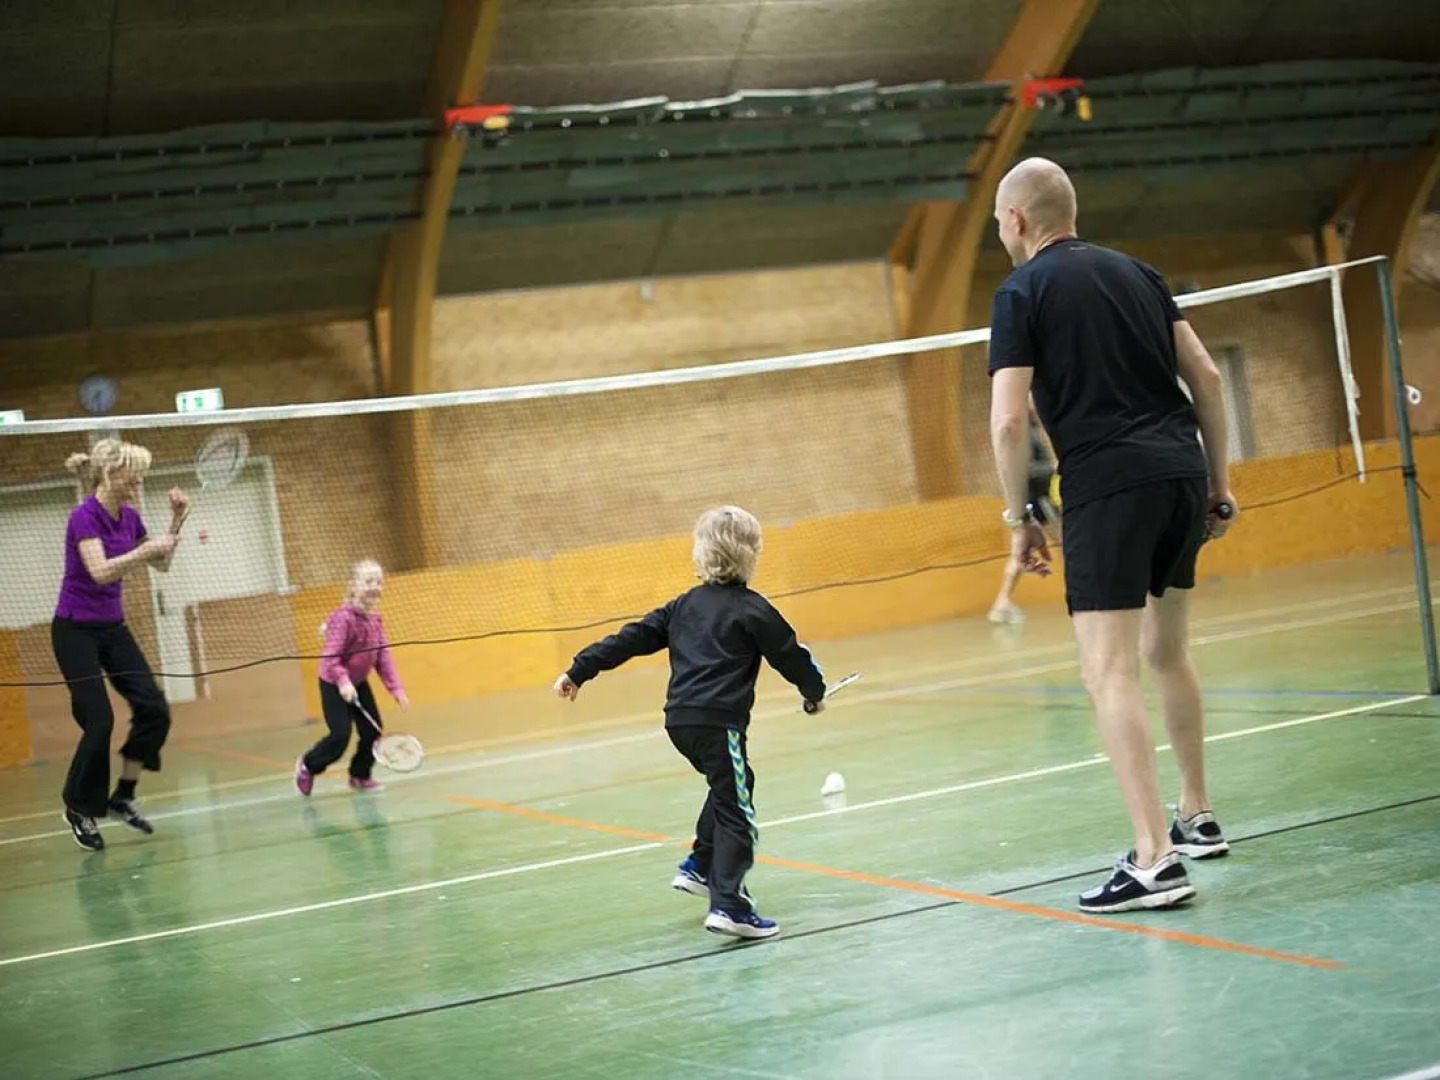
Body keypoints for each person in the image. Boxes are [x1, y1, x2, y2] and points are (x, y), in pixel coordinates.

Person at [987, 157, 1237, 913]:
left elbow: (1006, 421)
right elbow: (1209, 379)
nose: (1001, 232)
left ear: (1019, 220)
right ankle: (1196, 815)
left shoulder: (1020, 292)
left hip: (1105, 485)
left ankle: (1154, 858)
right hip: (1178, 476)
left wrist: (1019, 516)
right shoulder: (1141, 274)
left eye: (1000, 222)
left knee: (1108, 671)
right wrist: (1217, 483)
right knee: (1168, 652)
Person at [553, 506, 826, 940]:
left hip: (680, 721)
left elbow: (632, 637)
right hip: (719, 723)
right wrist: (814, 692)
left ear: (701, 553)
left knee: (731, 786)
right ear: (751, 554)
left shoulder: (682, 606)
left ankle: (700, 865)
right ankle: (729, 904)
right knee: (738, 808)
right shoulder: (754, 610)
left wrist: (580, 669)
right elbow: (792, 656)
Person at [53, 438, 186, 851]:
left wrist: (176, 522)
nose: (140, 481)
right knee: (99, 721)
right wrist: (146, 550)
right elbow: (100, 573)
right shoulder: (84, 517)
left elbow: (160, 564)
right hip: (74, 631)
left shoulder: (130, 518)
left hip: (113, 629)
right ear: (112, 474)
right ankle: (78, 806)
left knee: (154, 709)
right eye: (135, 474)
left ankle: (123, 795)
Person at [295, 559, 409, 796]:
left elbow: (383, 656)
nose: (374, 586)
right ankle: (308, 765)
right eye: (368, 581)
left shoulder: (375, 620)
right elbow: (330, 657)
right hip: (333, 683)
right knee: (340, 736)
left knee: (372, 731)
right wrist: (343, 682)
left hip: (358, 683)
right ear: (353, 586)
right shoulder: (343, 619)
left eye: (378, 581)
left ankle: (360, 774)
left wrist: (396, 688)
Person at [989, 402, 1060, 624]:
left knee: (1020, 553)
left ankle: (1002, 601)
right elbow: (1027, 468)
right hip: (1037, 500)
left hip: (1029, 501)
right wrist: (1055, 468)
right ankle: (1085, 590)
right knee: (1069, 542)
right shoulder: (1023, 430)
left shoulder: (1030, 428)